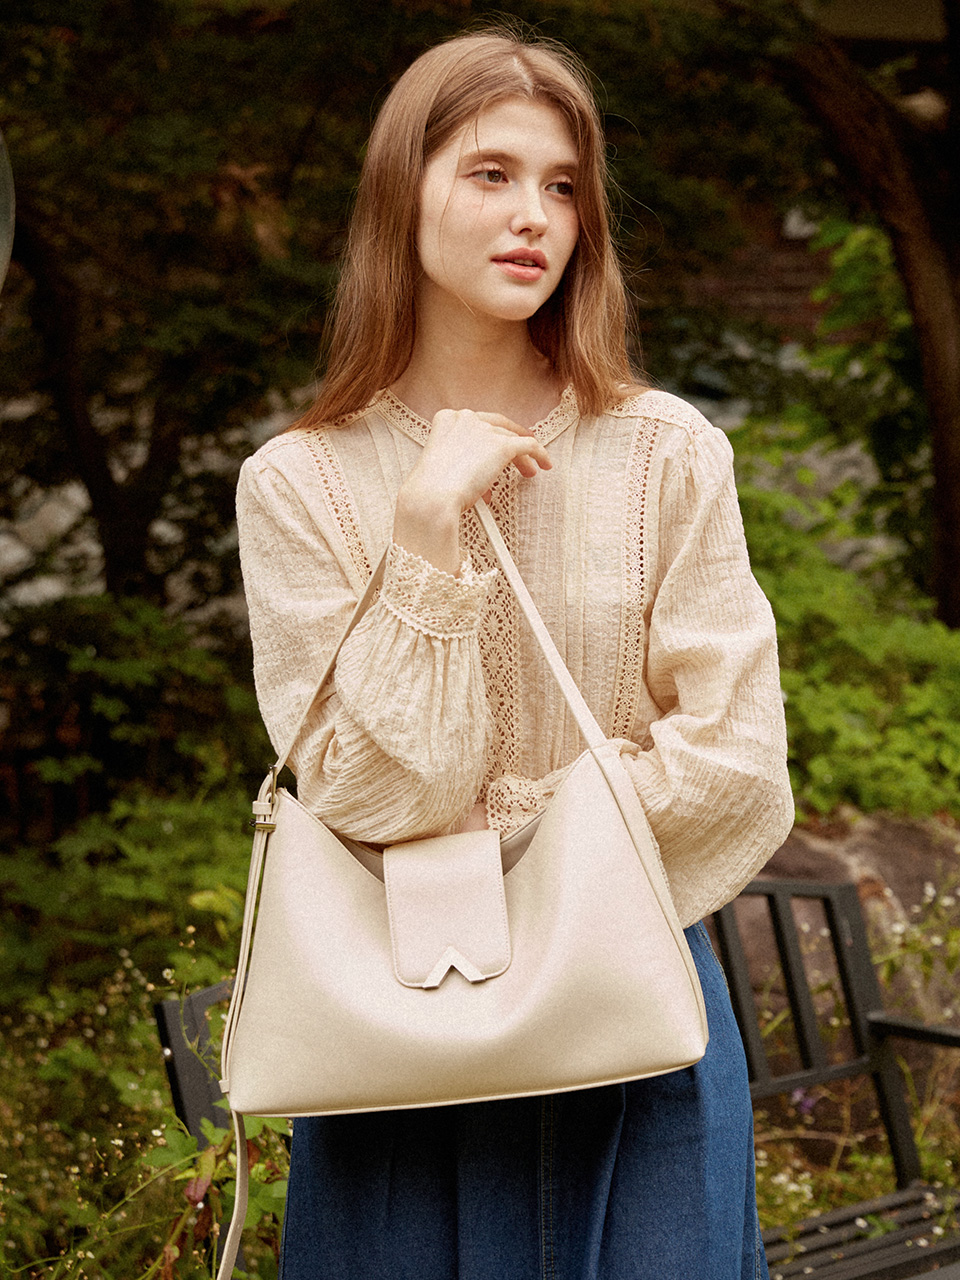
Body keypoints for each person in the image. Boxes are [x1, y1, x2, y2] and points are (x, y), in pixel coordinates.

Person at [236, 25, 793, 1280]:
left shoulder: (667, 453)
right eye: (490, 173)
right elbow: (373, 796)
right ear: (402, 194)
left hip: (637, 1028)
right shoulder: (298, 484)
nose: (534, 215)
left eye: (562, 185)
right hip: (397, 1049)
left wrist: (502, 846)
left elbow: (737, 769)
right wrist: (426, 532)